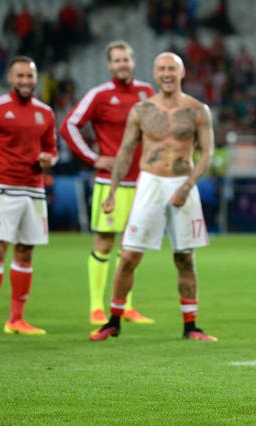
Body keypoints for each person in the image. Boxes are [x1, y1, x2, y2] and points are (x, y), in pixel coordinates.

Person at [89, 52, 217, 342]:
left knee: (185, 257)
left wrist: (187, 187)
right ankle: (114, 321)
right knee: (129, 255)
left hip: (183, 182)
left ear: (182, 72)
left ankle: (191, 326)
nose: (167, 73)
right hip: (149, 183)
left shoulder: (198, 110)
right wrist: (111, 191)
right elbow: (124, 152)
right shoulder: (141, 110)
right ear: (155, 73)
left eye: (172, 68)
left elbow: (207, 152)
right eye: (161, 68)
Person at [59, 40, 155, 326]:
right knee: (103, 242)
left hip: (141, 182)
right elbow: (68, 125)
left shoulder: (146, 92)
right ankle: (96, 307)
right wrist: (93, 158)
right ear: (109, 65)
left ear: (133, 62)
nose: (122, 64)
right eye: (117, 60)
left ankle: (124, 305)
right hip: (109, 182)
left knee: (131, 246)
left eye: (126, 59)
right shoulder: (99, 95)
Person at [0, 55, 58, 338]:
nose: (25, 81)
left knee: (26, 252)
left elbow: (53, 151)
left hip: (34, 190)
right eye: (20, 76)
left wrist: (49, 160)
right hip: (3, 189)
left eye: (29, 76)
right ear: (10, 78)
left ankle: (16, 319)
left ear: (36, 78)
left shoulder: (46, 113)